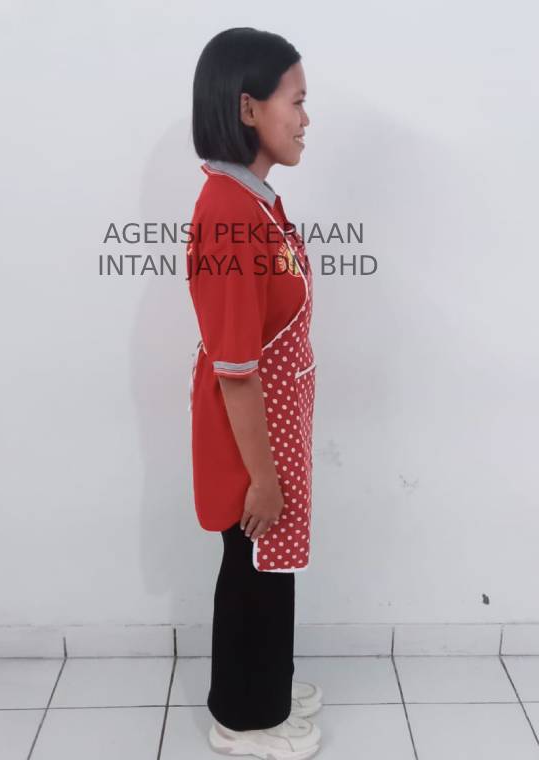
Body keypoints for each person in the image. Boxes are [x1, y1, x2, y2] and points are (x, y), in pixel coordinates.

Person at [187, 27, 321, 759]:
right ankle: (242, 718)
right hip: (249, 439)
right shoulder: (230, 215)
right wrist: (263, 479)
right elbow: (235, 368)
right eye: (295, 101)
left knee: (268, 570)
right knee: (251, 571)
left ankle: (268, 684)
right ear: (248, 108)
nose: (305, 118)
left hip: (270, 426)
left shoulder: (256, 201)